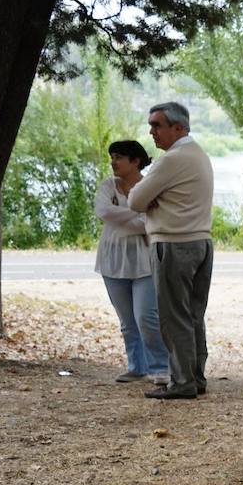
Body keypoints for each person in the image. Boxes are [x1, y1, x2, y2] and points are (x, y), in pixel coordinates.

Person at [128, 101, 215, 401]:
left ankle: (182, 381)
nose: (151, 132)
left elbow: (135, 200)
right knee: (193, 315)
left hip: (174, 243)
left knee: (174, 316)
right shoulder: (199, 154)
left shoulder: (172, 159)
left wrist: (154, 199)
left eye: (157, 125)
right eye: (151, 126)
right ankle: (195, 376)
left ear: (178, 128)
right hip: (201, 241)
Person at [95, 140, 169, 385]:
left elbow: (149, 224)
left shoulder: (149, 186)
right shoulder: (108, 185)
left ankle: (161, 367)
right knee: (127, 321)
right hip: (112, 259)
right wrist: (138, 211)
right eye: (112, 157)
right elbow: (104, 212)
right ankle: (136, 367)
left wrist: (125, 218)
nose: (113, 162)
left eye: (119, 157)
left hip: (144, 260)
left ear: (135, 161)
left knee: (146, 317)